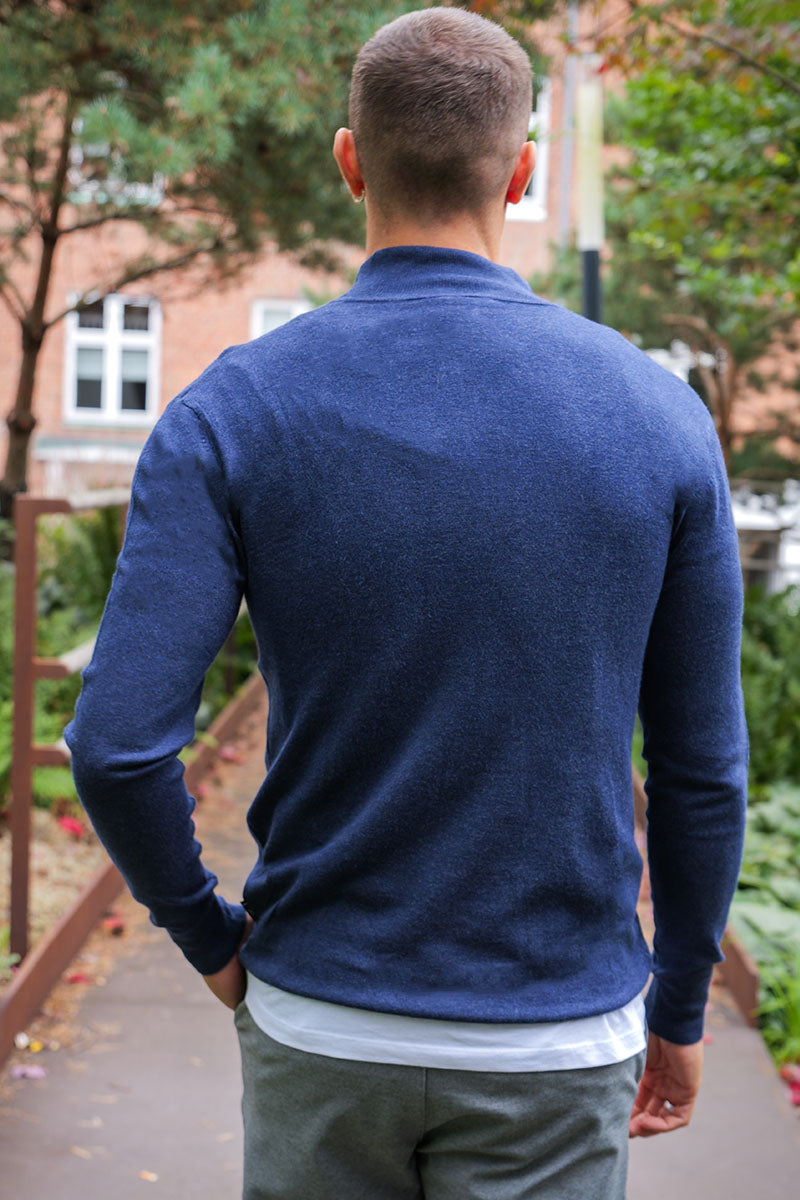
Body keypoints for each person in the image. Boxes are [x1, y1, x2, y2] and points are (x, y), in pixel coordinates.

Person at [66, 7, 748, 1198]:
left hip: (322, 1013)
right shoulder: (656, 417)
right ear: (520, 173)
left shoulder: (232, 412)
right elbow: (700, 768)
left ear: (349, 163)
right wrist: (678, 1004)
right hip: (554, 1030)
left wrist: (210, 940)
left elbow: (118, 747)